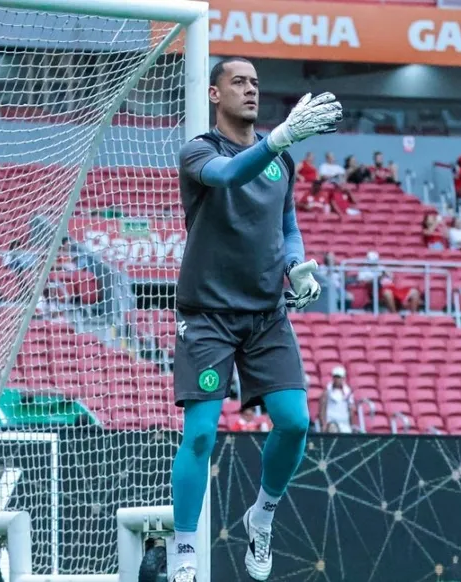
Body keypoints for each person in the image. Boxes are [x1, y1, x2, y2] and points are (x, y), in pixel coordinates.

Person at [171, 56, 341, 582]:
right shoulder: (199, 152)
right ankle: (184, 553)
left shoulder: (279, 159)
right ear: (215, 94)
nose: (251, 90)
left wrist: (296, 266)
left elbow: (287, 225)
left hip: (266, 313)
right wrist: (280, 138)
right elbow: (228, 176)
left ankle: (261, 516)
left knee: (295, 422)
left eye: (256, 83)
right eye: (239, 82)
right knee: (201, 436)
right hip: (208, 314)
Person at [318, 366, 355, 433]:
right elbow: (322, 409)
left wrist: (351, 425)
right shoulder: (327, 391)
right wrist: (323, 424)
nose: (337, 379)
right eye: (335, 377)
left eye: (339, 377)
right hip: (331, 423)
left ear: (343, 378)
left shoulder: (348, 392)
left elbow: (351, 410)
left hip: (345, 424)